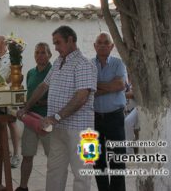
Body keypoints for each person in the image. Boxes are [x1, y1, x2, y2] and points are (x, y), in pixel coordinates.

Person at [17, 25, 97, 191]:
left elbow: (81, 97)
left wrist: (56, 117)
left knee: (82, 174)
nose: (56, 47)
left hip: (81, 131)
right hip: (58, 128)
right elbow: (43, 86)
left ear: (70, 40)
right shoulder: (59, 62)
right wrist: (26, 107)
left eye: (58, 43)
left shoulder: (84, 64)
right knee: (54, 170)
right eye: (54, 44)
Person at [93, 32, 127, 191]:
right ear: (94, 46)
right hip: (93, 119)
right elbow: (87, 88)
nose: (102, 45)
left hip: (115, 117)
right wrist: (108, 86)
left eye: (106, 42)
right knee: (96, 159)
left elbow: (120, 85)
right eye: (99, 42)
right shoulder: (88, 65)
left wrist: (97, 87)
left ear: (111, 46)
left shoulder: (118, 64)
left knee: (117, 158)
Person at [15, 43, 52, 191]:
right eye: (37, 53)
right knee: (27, 155)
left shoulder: (54, 71)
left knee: (53, 158)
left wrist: (40, 102)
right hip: (30, 119)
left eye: (43, 53)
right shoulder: (30, 73)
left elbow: (59, 97)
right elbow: (30, 94)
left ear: (50, 55)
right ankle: (23, 187)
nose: (40, 56)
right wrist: (26, 104)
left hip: (48, 120)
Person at [0, 35, 21, 168]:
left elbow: (13, 76)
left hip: (9, 94)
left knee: (12, 123)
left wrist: (4, 84)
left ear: (2, 43)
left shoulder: (12, 56)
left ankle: (16, 155)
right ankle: (4, 152)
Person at [124, 80, 139, 154]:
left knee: (128, 122)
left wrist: (119, 95)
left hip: (139, 107)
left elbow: (133, 94)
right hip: (131, 109)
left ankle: (129, 151)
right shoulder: (129, 81)